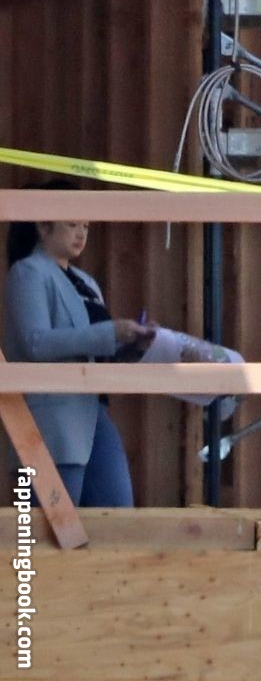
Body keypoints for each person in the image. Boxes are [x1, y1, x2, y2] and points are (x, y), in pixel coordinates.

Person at [4, 180, 152, 506]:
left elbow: (97, 349)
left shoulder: (87, 282)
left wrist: (134, 344)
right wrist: (111, 333)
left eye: (85, 226)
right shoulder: (27, 272)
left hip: (94, 409)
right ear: (43, 226)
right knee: (42, 524)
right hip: (51, 416)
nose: (81, 234)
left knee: (117, 513)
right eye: (72, 224)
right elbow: (36, 343)